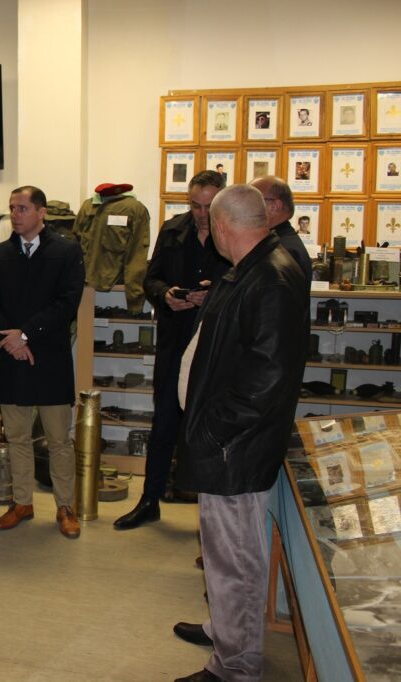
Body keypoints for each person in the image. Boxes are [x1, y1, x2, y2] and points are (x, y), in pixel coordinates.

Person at [171, 184, 308, 682]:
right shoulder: (252, 269)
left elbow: (267, 375)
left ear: (224, 226)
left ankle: (236, 667)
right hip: (229, 443)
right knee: (224, 557)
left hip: (235, 446)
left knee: (236, 562)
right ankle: (228, 639)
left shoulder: (270, 279)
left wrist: (213, 429)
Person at [114, 170, 229, 530]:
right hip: (175, 338)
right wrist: (165, 295)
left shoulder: (234, 232)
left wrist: (215, 296)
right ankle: (150, 500)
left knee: (210, 429)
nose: (201, 214)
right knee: (164, 422)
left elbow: (245, 286)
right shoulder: (173, 229)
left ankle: (213, 518)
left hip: (214, 344)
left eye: (209, 206)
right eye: (195, 205)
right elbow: (150, 278)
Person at [0, 186, 85, 538]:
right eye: (12, 208)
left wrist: (25, 335)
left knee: (58, 440)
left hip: (50, 357)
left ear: (42, 212)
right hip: (11, 358)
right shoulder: (0, 254)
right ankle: (22, 503)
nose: (15, 214)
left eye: (22, 208)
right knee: (17, 437)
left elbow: (67, 303)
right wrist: (12, 340)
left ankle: (65, 507)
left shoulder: (66, 251)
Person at [250, 176, 313, 281]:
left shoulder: (282, 250)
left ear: (274, 206)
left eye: (252, 201)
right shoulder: (277, 243)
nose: (246, 207)